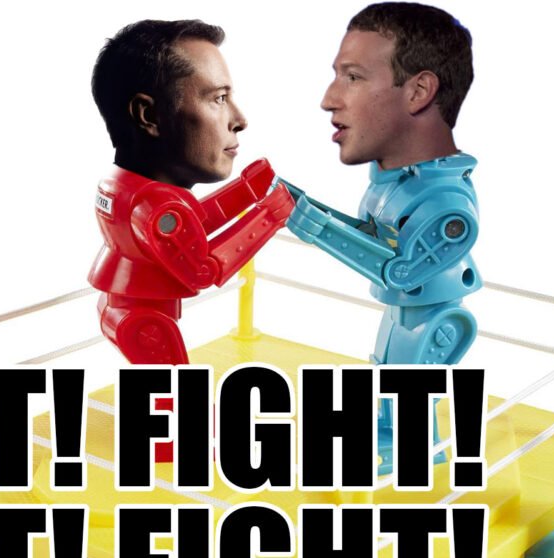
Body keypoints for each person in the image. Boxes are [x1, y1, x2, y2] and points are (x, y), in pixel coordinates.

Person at [282, 3, 480, 472]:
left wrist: (316, 227)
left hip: (433, 316)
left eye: (353, 77)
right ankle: (389, 438)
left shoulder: (447, 206)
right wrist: (306, 208)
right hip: (403, 311)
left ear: (419, 91)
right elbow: (375, 238)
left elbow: (400, 269)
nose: (329, 99)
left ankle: (415, 455)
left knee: (409, 387)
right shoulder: (398, 183)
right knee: (385, 374)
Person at [89, 19, 293, 365]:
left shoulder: (122, 185)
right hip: (145, 321)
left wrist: (247, 191)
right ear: (149, 115)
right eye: (218, 98)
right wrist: (270, 216)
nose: (240, 119)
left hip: (120, 307)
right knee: (180, 398)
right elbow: (201, 270)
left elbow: (192, 226)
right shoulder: (155, 208)